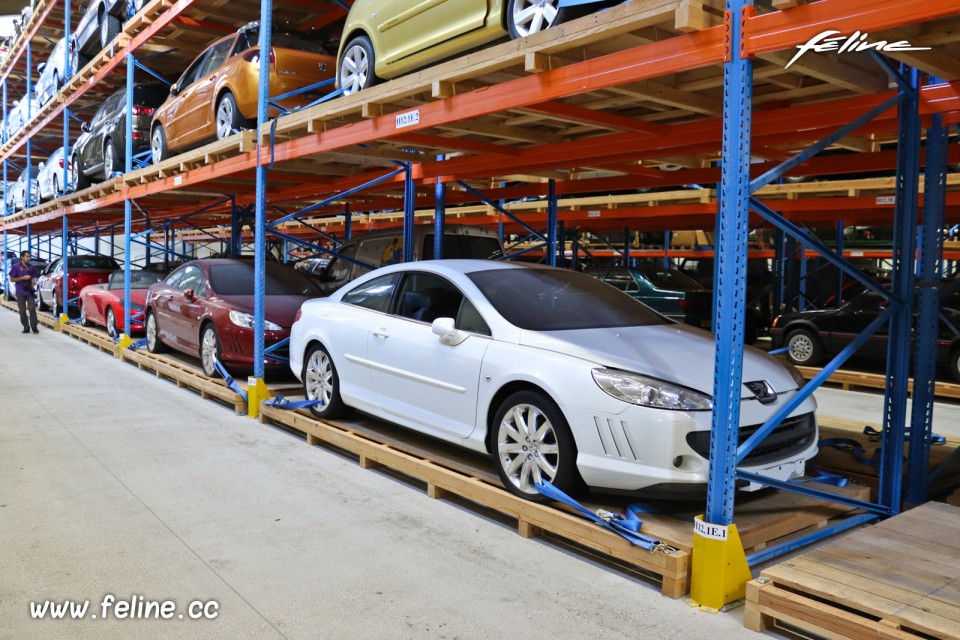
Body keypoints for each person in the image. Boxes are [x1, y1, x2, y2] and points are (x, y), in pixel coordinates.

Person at [9, 250, 39, 334]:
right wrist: (23, 278)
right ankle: (26, 326)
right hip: (20, 291)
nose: (29, 258)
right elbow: (12, 279)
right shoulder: (16, 267)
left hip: (29, 291)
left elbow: (33, 277)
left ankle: (34, 326)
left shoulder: (31, 267)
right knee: (22, 310)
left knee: (32, 308)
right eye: (27, 256)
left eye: (29, 256)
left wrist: (33, 281)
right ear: (22, 257)